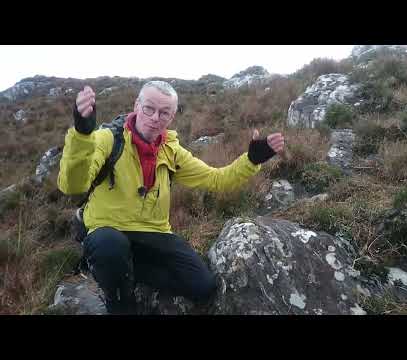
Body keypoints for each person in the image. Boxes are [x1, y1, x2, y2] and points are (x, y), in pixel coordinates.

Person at [58, 81, 285, 314]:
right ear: (137, 105)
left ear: (172, 116)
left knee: (202, 286)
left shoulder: (172, 151)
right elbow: (73, 185)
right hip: (107, 230)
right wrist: (82, 134)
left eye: (164, 112)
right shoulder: (108, 139)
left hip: (153, 233)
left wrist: (252, 160)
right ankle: (119, 298)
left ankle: (124, 270)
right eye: (149, 108)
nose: (155, 118)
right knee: (110, 246)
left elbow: (217, 179)